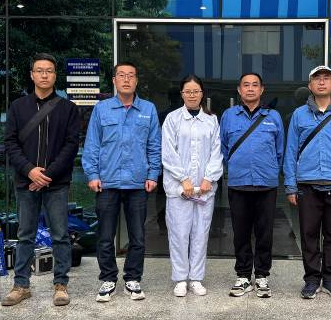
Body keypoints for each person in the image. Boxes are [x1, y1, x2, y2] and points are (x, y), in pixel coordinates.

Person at [2, 53, 80, 307]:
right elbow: (10, 143)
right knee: (25, 234)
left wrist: (47, 175)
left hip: (56, 183)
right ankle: (21, 285)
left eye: (49, 71)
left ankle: (61, 284)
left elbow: (71, 145)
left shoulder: (68, 109)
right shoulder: (18, 107)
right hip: (26, 182)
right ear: (32, 75)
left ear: (55, 76)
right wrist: (30, 171)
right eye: (39, 70)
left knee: (60, 235)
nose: (44, 75)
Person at [82, 61, 161, 302]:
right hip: (107, 183)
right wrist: (92, 175)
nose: (126, 79)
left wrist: (153, 174)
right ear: (114, 80)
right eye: (121, 75)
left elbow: (154, 146)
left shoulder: (148, 109)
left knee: (138, 236)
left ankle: (133, 279)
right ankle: (108, 278)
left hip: (137, 183)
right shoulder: (102, 109)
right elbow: (92, 144)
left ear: (136, 80)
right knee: (105, 236)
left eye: (131, 75)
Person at [284, 65, 331, 300]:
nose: (322, 82)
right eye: (317, 78)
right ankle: (311, 280)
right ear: (310, 85)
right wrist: (290, 185)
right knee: (308, 235)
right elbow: (290, 151)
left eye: (327, 78)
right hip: (307, 184)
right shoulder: (299, 115)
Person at [219, 72, 284, 298]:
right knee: (240, 232)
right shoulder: (229, 115)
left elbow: (279, 150)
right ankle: (244, 275)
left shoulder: (273, 116)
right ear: (239, 90)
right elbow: (223, 147)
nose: (250, 89)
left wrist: (271, 170)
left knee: (265, 233)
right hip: (239, 183)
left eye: (255, 85)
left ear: (262, 89)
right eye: (245, 85)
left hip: (266, 184)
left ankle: (262, 275)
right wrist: (233, 167)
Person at [161, 75, 223, 297]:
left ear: (202, 93)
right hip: (179, 189)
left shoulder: (211, 120)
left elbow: (217, 151)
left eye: (196, 91)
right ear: (182, 94)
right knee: (178, 233)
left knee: (200, 233)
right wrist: (183, 179)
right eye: (188, 91)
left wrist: (209, 178)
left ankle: (196, 278)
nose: (192, 95)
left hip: (204, 189)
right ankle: (180, 278)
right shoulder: (172, 119)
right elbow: (168, 152)